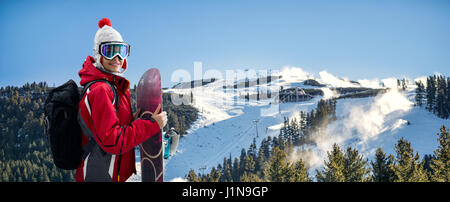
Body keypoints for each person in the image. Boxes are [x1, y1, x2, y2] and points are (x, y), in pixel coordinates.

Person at [76, 18, 167, 182]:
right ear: (98, 54)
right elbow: (112, 140)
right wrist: (150, 125)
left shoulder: (115, 87)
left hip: (111, 175)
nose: (117, 57)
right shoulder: (100, 90)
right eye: (110, 51)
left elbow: (113, 127)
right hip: (98, 176)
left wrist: (135, 121)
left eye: (121, 51)